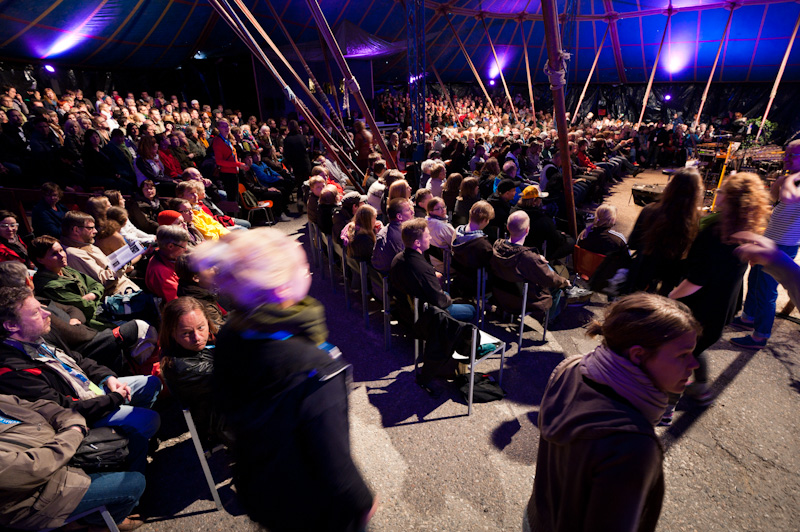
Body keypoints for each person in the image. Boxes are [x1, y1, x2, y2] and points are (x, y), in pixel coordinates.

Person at [190, 228, 376, 532]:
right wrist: (362, 501)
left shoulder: (231, 333)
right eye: (301, 267)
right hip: (317, 509)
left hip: (264, 491)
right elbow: (334, 463)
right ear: (281, 288)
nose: (308, 270)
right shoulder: (311, 365)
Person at [525, 293, 701, 532]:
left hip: (537, 518)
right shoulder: (632, 447)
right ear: (637, 355)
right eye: (683, 355)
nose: (695, 364)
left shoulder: (571, 366)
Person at [0, 287, 161, 474]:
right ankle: (132, 467)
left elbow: (78, 359)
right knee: (151, 420)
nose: (46, 313)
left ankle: (138, 444)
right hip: (82, 417)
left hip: (94, 392)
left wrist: (107, 377)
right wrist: (114, 398)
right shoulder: (13, 372)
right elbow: (65, 409)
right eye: (36, 312)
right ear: (11, 326)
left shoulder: (38, 334)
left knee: (151, 384)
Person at [668, 172, 770, 407]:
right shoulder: (746, 231)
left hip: (702, 308)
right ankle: (700, 388)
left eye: (723, 190)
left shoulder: (714, 233)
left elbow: (698, 279)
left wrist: (670, 297)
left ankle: (667, 402)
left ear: (732, 200)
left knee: (681, 352)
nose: (718, 193)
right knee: (693, 348)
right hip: (723, 307)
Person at [0, 394, 146, 531]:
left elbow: (45, 406)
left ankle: (123, 506)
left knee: (135, 439)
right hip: (40, 495)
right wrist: (74, 432)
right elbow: (33, 468)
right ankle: (91, 524)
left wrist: (72, 425)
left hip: (66, 445)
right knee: (134, 484)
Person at [730, 141, 800, 349]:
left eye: (792, 155)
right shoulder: (789, 179)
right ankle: (748, 317)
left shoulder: (794, 181)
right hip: (771, 240)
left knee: (766, 290)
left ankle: (760, 335)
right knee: (755, 279)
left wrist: (785, 180)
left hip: (783, 246)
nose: (786, 159)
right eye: (785, 155)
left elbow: (787, 197)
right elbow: (773, 200)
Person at [626, 167, 703, 295]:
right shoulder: (695, 221)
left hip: (643, 275)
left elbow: (632, 243)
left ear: (671, 186)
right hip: (669, 282)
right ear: (696, 193)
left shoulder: (650, 210)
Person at [159, 297, 224, 445]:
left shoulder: (189, 347)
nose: (197, 337)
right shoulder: (184, 368)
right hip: (222, 424)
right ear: (172, 333)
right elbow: (236, 374)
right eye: (186, 333)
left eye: (201, 327)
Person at [491, 211, 571, 323]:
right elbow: (551, 279)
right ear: (527, 230)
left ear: (507, 227)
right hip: (522, 302)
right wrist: (564, 282)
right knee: (557, 285)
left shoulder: (497, 246)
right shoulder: (529, 258)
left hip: (498, 296)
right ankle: (549, 319)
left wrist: (537, 258)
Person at [60, 211, 140, 296]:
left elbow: (106, 266)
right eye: (90, 228)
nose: (95, 231)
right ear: (76, 230)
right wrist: (121, 264)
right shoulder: (73, 254)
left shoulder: (88, 245)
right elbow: (103, 281)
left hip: (124, 287)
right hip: (118, 295)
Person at [146, 225, 190, 303]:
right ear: (170, 246)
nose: (185, 249)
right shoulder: (162, 273)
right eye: (183, 247)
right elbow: (177, 302)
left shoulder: (162, 254)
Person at [372, 198, 415, 274]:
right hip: (393, 278)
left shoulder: (388, 229)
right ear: (399, 216)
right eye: (408, 210)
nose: (412, 212)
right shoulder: (400, 236)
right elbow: (405, 265)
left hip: (381, 277)